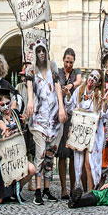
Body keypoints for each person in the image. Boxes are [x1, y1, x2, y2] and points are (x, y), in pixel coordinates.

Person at [25, 41, 68, 205]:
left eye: (43, 50)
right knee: (40, 152)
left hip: (54, 119)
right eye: (39, 51)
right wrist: (30, 102)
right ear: (35, 53)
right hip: (38, 118)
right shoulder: (31, 70)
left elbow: (58, 86)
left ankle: (47, 190)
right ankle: (37, 190)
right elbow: (30, 88)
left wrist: (62, 107)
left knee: (50, 155)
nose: (41, 53)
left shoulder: (53, 67)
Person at [0, 88, 36, 206]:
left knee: (32, 169)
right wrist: (4, 128)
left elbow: (23, 128)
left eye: (8, 103)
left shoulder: (16, 114)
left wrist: (24, 122)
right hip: (2, 158)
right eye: (2, 105)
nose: (6, 107)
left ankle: (14, 191)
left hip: (16, 155)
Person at [67, 69, 108, 192]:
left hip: (92, 134)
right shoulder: (79, 91)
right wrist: (68, 96)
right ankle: (82, 190)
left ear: (98, 82)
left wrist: (105, 104)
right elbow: (71, 108)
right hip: (80, 132)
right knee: (78, 163)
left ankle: (92, 191)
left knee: (89, 163)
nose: (92, 79)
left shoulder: (99, 95)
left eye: (95, 78)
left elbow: (103, 115)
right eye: (91, 76)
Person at [56, 47, 82, 199]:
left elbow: (79, 81)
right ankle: (63, 189)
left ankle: (72, 187)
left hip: (73, 116)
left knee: (72, 155)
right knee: (61, 155)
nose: (68, 65)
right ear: (63, 60)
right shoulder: (58, 72)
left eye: (71, 62)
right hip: (61, 115)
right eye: (66, 61)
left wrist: (70, 86)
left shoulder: (75, 72)